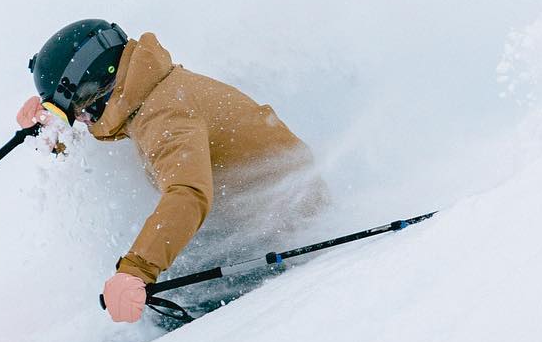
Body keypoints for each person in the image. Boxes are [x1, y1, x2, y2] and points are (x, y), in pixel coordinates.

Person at [17, 20, 318, 324]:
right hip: (246, 219)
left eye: (79, 112)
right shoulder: (149, 94)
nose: (81, 121)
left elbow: (187, 193)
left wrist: (136, 270)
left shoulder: (164, 114)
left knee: (169, 304)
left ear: (98, 90)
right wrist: (56, 133)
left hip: (286, 227)